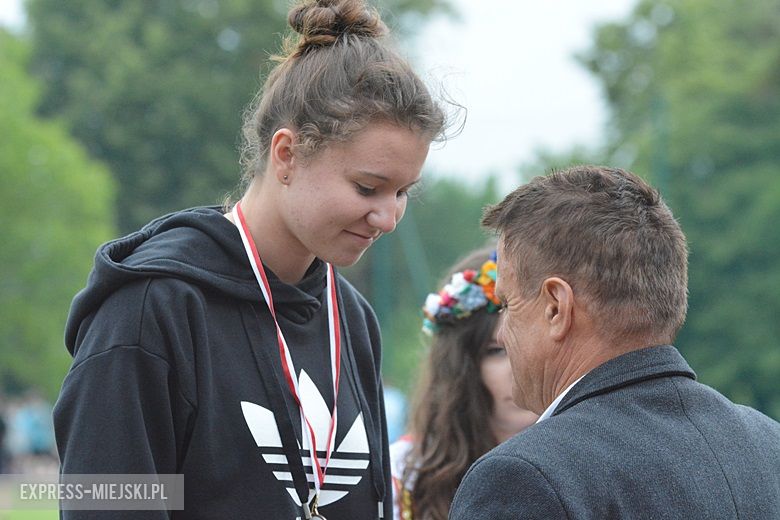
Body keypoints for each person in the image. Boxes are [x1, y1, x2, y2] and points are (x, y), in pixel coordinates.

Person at [54, 0, 445, 518]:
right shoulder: (153, 308)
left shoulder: (351, 320)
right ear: (287, 154)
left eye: (402, 193)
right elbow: (106, 506)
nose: (387, 218)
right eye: (368, 187)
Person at [450, 166, 780, 519]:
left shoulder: (524, 479)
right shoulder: (768, 444)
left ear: (556, 307)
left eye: (507, 305)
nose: (501, 333)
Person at [390, 248, 537, 520]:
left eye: (528, 346)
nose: (517, 367)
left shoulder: (591, 461)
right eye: (495, 351)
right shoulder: (403, 474)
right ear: (461, 366)